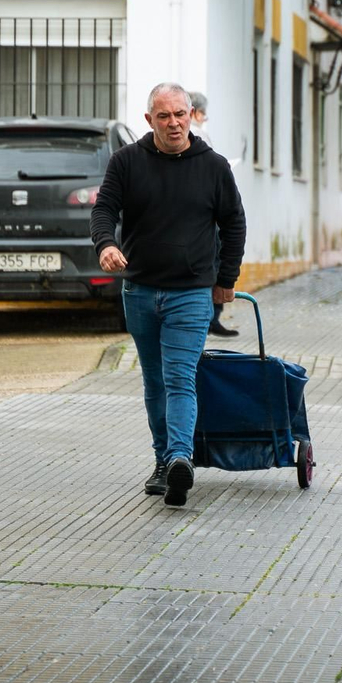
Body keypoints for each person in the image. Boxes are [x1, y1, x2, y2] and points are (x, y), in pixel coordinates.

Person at [91, 82, 246, 507]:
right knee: (154, 380)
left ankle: (180, 458)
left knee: (179, 377)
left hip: (191, 294)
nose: (174, 123)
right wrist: (105, 244)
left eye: (180, 114)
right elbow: (104, 209)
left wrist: (226, 279)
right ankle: (164, 461)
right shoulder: (126, 162)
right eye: (164, 116)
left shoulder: (214, 167)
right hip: (140, 291)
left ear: (191, 115)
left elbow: (234, 223)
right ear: (150, 120)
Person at [188, 90, 238, 338]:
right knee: (215, 258)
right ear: (195, 112)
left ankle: (208, 318)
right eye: (203, 114)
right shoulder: (198, 134)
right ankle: (210, 317)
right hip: (206, 212)